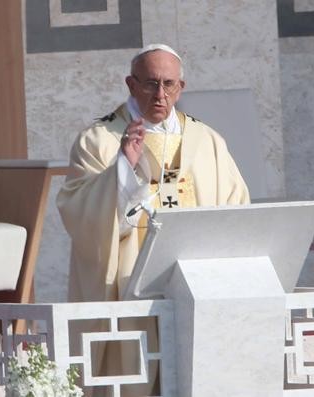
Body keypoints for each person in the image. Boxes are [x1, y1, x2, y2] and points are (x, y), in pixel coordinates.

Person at [56, 44, 250, 393]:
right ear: (131, 84)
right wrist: (122, 169)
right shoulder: (99, 140)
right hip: (132, 281)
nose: (160, 95)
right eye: (150, 84)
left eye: (169, 84)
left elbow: (237, 209)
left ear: (181, 88)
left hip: (195, 279)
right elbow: (79, 212)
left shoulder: (207, 141)